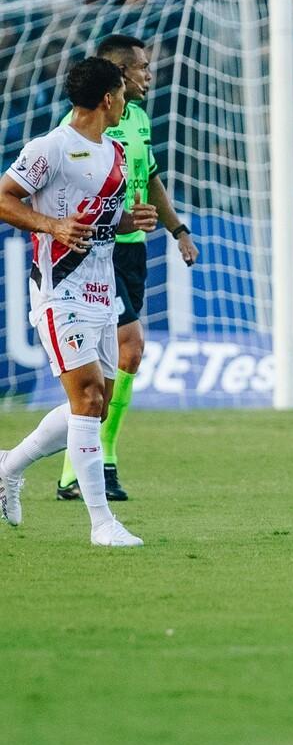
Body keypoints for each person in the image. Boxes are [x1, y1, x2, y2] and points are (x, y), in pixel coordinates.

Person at [0, 56, 156, 547]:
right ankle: (101, 524)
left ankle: (6, 469)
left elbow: (103, 222)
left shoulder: (113, 152)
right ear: (108, 98)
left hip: (101, 290)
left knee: (96, 404)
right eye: (123, 93)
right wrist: (51, 225)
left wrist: (134, 221)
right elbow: (3, 196)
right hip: (56, 288)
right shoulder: (51, 148)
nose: (127, 100)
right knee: (87, 399)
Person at [52, 36, 199, 503]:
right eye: (142, 67)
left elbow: (150, 176)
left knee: (118, 363)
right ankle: (98, 461)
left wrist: (178, 230)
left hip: (131, 248)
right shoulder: (79, 127)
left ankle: (74, 469)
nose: (149, 75)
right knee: (128, 350)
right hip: (99, 251)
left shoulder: (134, 118)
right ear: (116, 74)